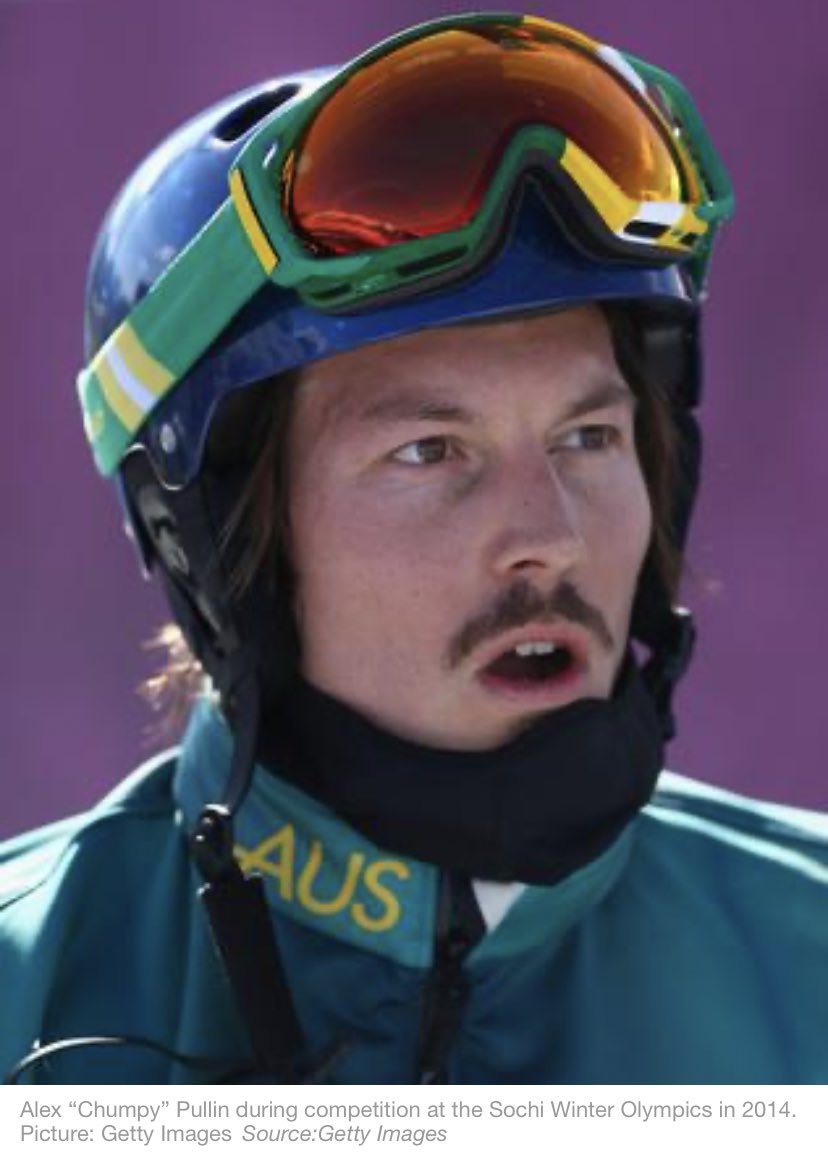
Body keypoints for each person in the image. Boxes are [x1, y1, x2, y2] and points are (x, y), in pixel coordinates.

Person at [1, 12, 825, 1086]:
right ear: (213, 542)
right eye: (430, 451)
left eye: (588, 437)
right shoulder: (27, 984)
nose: (549, 538)